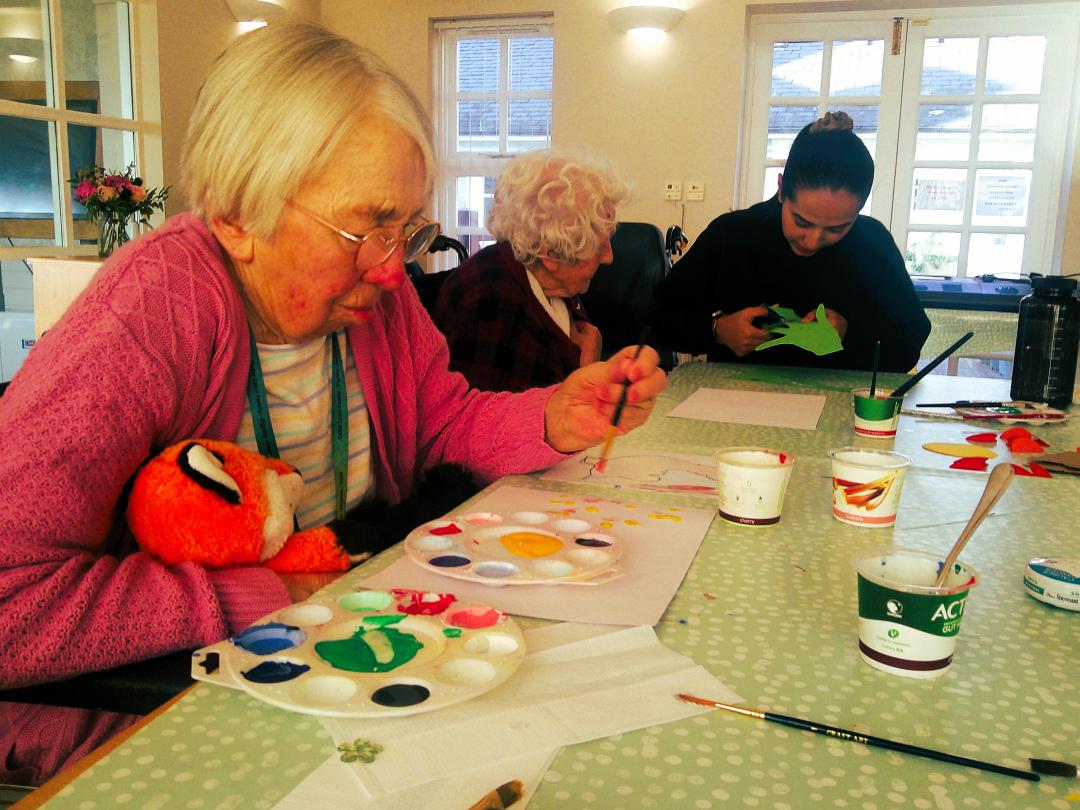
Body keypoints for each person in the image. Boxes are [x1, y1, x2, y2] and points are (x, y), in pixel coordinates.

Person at [0, 22, 666, 786]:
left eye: (405, 227)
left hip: (349, 656)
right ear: (236, 218)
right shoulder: (150, 312)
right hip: (158, 720)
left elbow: (440, 424)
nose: (392, 269)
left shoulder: (373, 296)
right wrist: (259, 595)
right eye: (365, 227)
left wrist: (553, 416)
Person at [650, 111, 930, 372]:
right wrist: (717, 330)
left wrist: (848, 332)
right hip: (735, 405)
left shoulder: (872, 244)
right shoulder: (732, 234)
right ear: (782, 188)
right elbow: (656, 319)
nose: (812, 241)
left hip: (840, 407)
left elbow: (908, 344)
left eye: (837, 229)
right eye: (802, 222)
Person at [432, 151, 630, 392]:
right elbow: (497, 425)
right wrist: (587, 370)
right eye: (598, 244)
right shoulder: (492, 303)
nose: (609, 256)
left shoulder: (550, 281)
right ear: (550, 254)